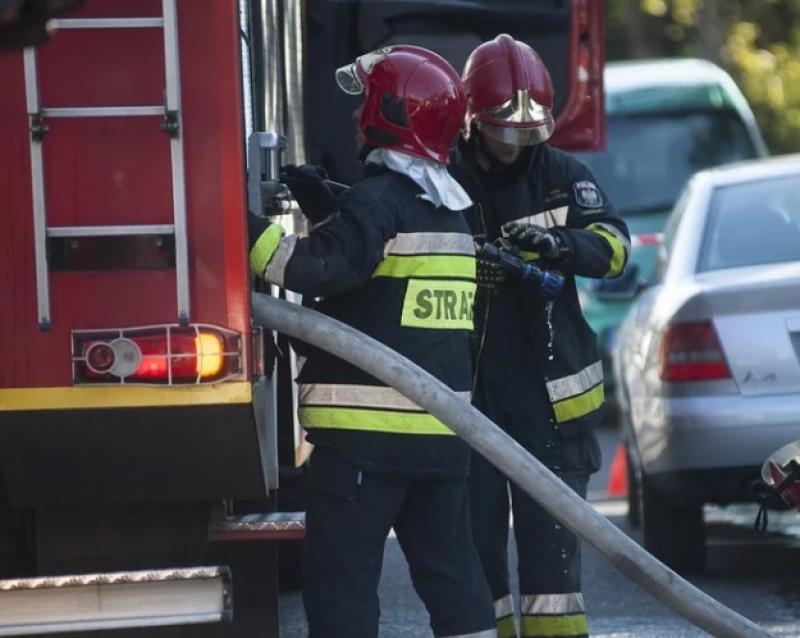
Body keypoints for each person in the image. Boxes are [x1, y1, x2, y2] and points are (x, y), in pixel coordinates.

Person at [248, 45, 497, 638]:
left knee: (342, 583)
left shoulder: (378, 202)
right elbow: (384, 274)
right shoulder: (449, 214)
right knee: (453, 576)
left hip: (365, 445)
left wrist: (238, 223)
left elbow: (310, 268)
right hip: (441, 441)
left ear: (385, 113)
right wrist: (331, 205)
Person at [449, 34, 631, 638]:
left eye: (529, 130)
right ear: (474, 118)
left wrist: (561, 247)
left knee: (554, 574)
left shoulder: (563, 177)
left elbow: (615, 249)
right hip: (469, 403)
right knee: (477, 565)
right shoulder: (443, 180)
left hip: (551, 410)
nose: (516, 144)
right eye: (504, 130)